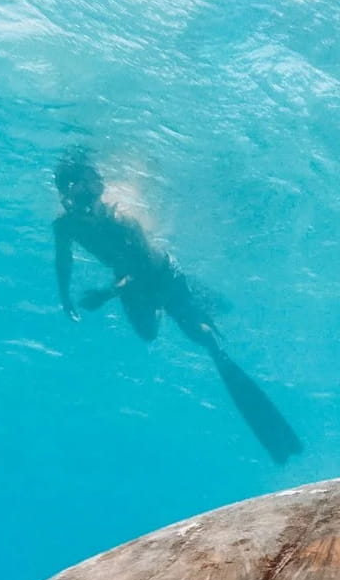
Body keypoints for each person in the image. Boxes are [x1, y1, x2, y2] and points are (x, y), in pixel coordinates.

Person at [52, 149, 302, 464]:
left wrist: (105, 294)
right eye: (72, 195)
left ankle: (197, 317)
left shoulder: (123, 220)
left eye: (84, 192)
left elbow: (142, 268)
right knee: (147, 334)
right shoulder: (65, 226)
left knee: (204, 338)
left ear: (97, 188)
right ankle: (177, 308)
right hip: (128, 284)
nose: (81, 205)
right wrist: (65, 299)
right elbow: (63, 262)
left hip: (161, 275)